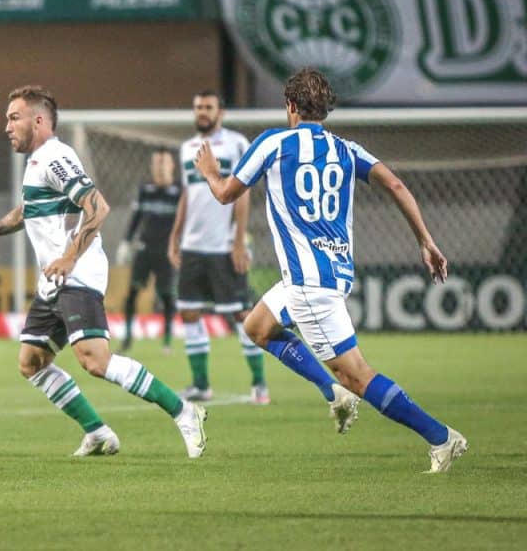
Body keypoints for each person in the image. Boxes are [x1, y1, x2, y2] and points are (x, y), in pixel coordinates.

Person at [194, 67, 467, 473]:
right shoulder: (346, 148)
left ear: (290, 105)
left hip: (309, 284)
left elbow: (224, 194)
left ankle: (440, 437)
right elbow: (396, 186)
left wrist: (209, 171)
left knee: (357, 375)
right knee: (257, 327)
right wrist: (426, 241)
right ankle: (333, 393)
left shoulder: (273, 142)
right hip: (331, 272)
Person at [0, 85, 207, 458]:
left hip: (76, 272)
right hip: (54, 279)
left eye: (13, 117)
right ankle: (98, 433)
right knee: (32, 362)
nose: (6, 126)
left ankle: (185, 411)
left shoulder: (55, 156)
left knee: (94, 359)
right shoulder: (38, 161)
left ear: (38, 120)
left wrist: (71, 257)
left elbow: (97, 207)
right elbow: (26, 212)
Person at [167, 90, 269, 405]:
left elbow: (244, 192)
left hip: (224, 245)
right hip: (193, 245)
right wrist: (175, 236)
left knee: (241, 314)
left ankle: (259, 385)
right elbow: (188, 194)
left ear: (220, 112)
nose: (202, 112)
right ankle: (200, 384)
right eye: (198, 107)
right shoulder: (186, 149)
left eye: (208, 107)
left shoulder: (236, 143)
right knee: (189, 311)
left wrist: (239, 240)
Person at [115, 149, 180, 353]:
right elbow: (136, 218)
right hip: (145, 248)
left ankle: (167, 340)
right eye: (156, 164)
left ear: (172, 166)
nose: (159, 168)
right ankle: (126, 339)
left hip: (167, 251)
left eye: (164, 164)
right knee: (133, 292)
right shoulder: (146, 189)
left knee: (167, 295)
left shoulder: (179, 191)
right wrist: (126, 242)